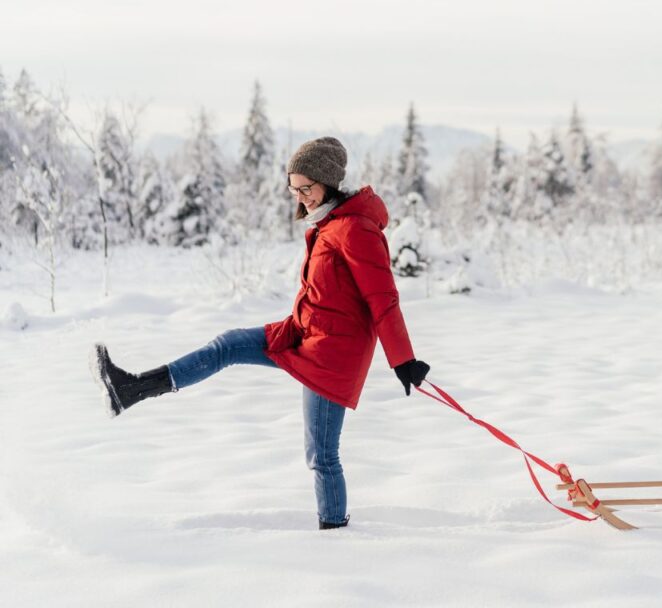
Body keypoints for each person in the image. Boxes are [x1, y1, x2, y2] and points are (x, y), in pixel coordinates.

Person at [89, 136, 431, 530]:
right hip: (303, 335)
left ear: (329, 182)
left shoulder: (355, 230)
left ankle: (335, 533)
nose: (301, 198)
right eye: (294, 189)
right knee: (229, 344)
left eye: (308, 188)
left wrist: (402, 360)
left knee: (322, 455)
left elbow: (383, 298)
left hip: (331, 358)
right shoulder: (330, 224)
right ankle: (132, 388)